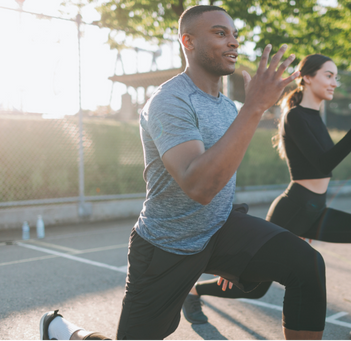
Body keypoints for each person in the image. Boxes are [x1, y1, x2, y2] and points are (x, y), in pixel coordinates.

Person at [39, 6, 330, 341]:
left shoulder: (225, 107)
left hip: (219, 228)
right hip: (168, 245)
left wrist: (238, 252)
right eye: (221, 33)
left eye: (235, 35)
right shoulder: (169, 101)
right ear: (188, 41)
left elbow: (221, 177)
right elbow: (200, 185)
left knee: (307, 265)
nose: (233, 42)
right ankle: (63, 332)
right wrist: (254, 107)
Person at [183, 54, 351, 341]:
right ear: (307, 77)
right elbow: (324, 164)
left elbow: (323, 165)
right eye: (329, 75)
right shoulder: (295, 116)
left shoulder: (314, 116)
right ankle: (193, 291)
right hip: (294, 209)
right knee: (254, 285)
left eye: (336, 76)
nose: (334, 82)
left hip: (316, 210)